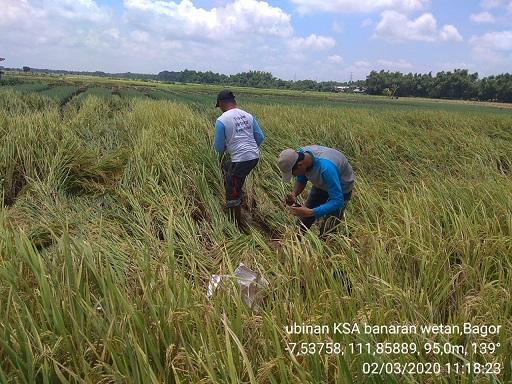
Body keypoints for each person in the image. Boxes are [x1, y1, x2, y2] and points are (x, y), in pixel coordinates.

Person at [277, 145, 354, 237]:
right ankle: (294, 242)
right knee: (301, 223)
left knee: (329, 228)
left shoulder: (326, 168)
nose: (293, 176)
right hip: (321, 185)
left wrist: (311, 212)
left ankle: (326, 245)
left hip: (342, 189)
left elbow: (337, 201)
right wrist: (294, 194)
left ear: (300, 165)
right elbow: (302, 178)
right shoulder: (301, 156)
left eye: (292, 173)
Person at [213, 90, 265, 228]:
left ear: (222, 103)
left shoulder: (222, 120)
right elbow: (260, 137)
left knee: (233, 191)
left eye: (220, 106)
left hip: (241, 159)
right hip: (254, 156)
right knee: (227, 167)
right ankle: (241, 193)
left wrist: (228, 151)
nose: (221, 109)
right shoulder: (248, 115)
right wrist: (249, 150)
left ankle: (237, 225)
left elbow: (218, 147)